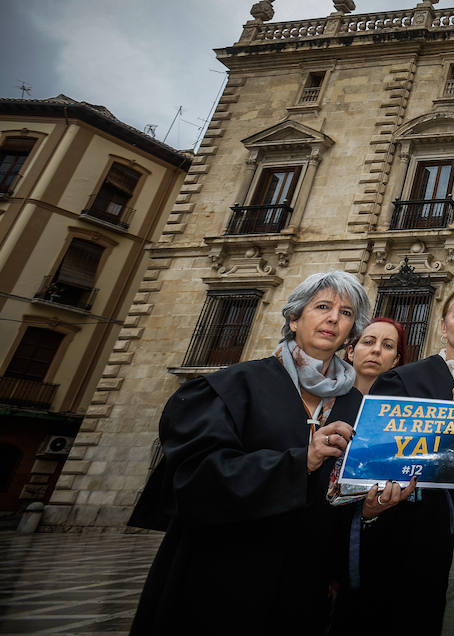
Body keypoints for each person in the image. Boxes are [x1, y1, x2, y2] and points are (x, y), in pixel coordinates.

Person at [132, 270, 409, 633]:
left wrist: (369, 510)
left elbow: (339, 503)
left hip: (301, 593)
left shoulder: (356, 405)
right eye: (322, 306)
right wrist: (301, 461)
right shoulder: (234, 386)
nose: (332, 318)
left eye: (345, 313)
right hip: (218, 585)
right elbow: (196, 480)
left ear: (350, 333)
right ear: (294, 318)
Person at [345, 284, 454, 634]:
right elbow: (379, 463)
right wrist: (451, 412)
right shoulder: (400, 381)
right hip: (413, 549)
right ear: (443, 327)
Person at [346, 316, 406, 395]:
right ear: (351, 352)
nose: (376, 350)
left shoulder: (403, 405)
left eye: (387, 345)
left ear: (395, 360)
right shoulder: (326, 397)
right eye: (368, 342)